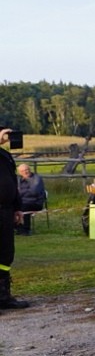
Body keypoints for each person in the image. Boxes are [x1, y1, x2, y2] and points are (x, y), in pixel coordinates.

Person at [0, 129, 31, 311]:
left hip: (5, 210)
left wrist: (17, 207)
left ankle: (3, 296)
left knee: (5, 255)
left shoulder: (5, 156)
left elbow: (12, 181)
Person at [17, 163, 46, 235]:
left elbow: (34, 192)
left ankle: (26, 230)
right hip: (23, 201)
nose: (25, 172)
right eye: (23, 171)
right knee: (11, 207)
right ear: (19, 173)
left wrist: (20, 192)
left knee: (24, 206)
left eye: (27, 170)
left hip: (36, 203)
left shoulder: (37, 179)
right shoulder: (19, 179)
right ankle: (18, 228)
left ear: (30, 169)